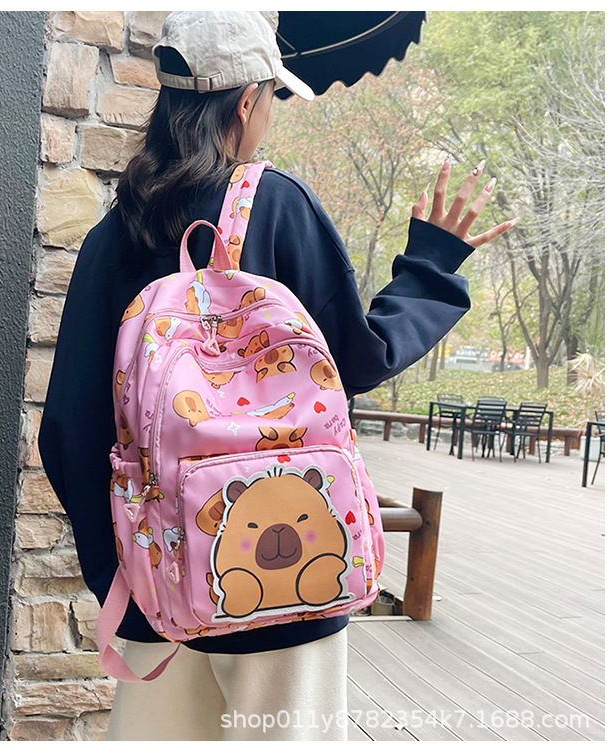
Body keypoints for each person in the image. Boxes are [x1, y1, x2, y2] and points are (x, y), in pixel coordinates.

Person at [38, 10, 516, 742]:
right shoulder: (276, 206)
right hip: (286, 588)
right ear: (245, 102)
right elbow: (357, 359)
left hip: (156, 586)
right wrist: (431, 263)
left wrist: (127, 568)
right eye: (273, 97)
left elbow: (68, 430)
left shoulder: (115, 233)